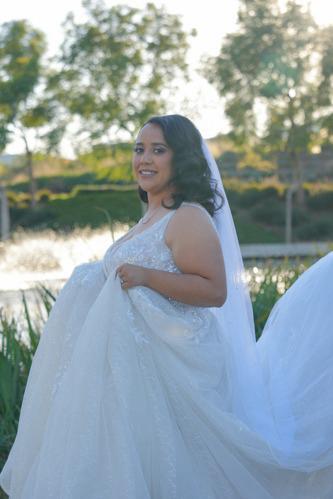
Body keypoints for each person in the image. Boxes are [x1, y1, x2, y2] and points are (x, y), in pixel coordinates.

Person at [0, 114, 332, 499]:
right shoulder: (149, 218)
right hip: (136, 365)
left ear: (182, 159)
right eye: (139, 149)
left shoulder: (188, 217)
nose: (145, 159)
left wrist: (145, 277)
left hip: (174, 363)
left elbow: (214, 290)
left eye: (158, 150)